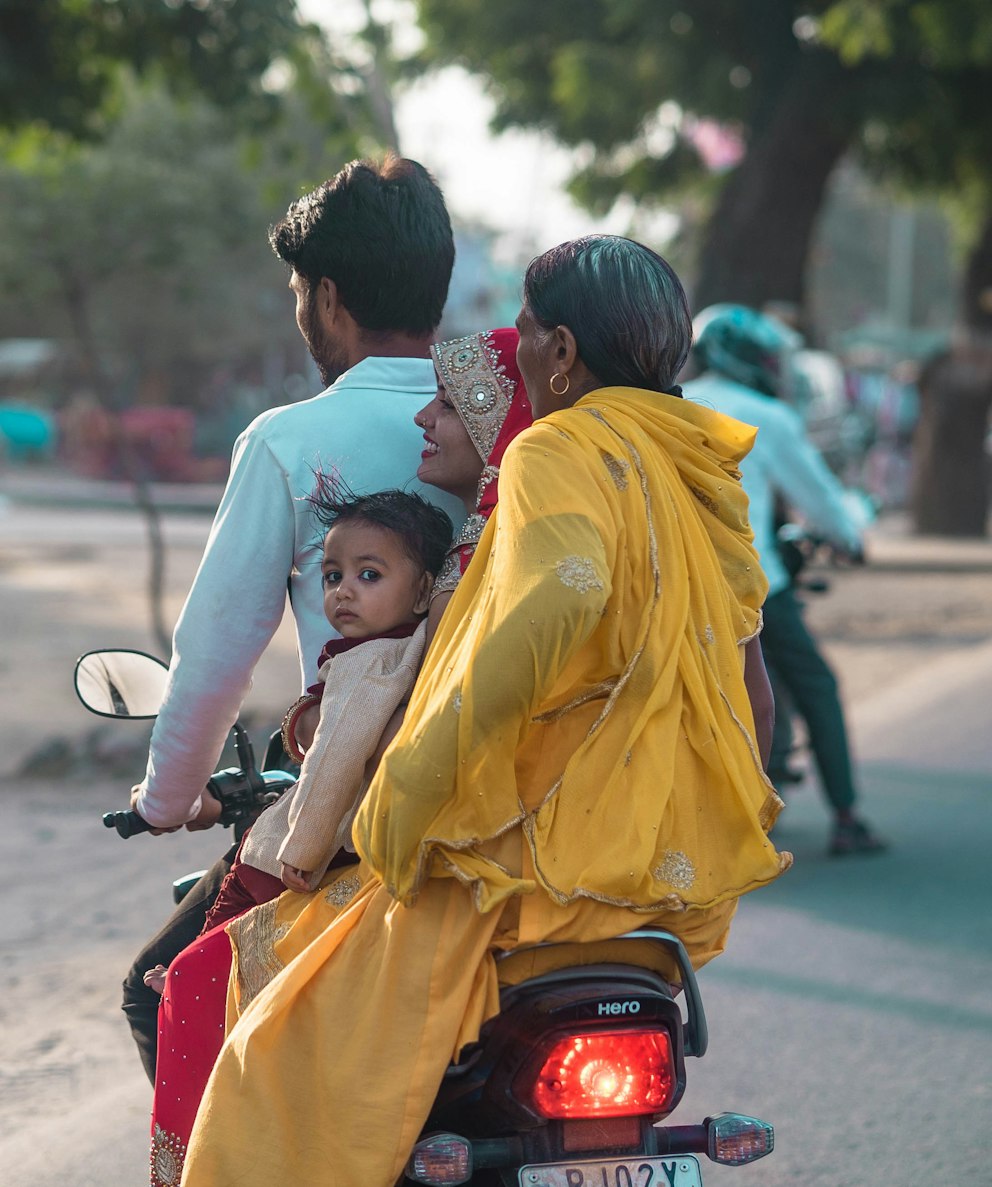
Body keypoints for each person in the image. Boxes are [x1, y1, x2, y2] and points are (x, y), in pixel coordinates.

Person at [180, 238, 792, 1187]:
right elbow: (752, 685)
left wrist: (411, 788)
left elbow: (555, 608)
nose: (525, 349)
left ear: (561, 352)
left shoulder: (558, 446)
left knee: (272, 1038)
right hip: (670, 896)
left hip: (530, 878)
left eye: (531, 331)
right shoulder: (699, 467)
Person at [121, 154, 463, 1086]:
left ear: (330, 297)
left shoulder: (287, 440)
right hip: (508, 802)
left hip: (354, 805)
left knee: (158, 993)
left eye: (300, 293)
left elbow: (216, 652)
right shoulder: (511, 420)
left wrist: (167, 797)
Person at [685, 303, 887, 856]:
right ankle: (846, 816)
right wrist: (849, 537)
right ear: (749, 359)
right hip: (753, 586)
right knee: (816, 686)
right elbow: (820, 498)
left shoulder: (672, 406)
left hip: (677, 583)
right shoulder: (765, 416)